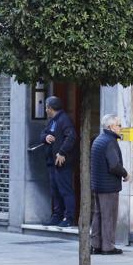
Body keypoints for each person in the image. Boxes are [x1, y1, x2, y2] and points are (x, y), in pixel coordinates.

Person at [90, 114, 129, 255]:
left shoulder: (99, 139)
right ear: (111, 127)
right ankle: (108, 246)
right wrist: (125, 174)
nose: (120, 127)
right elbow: (114, 165)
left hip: (98, 184)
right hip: (108, 186)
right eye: (119, 125)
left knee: (98, 215)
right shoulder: (110, 141)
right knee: (109, 216)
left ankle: (96, 245)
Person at [40, 96, 77, 227]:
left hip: (62, 163)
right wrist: (45, 137)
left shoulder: (64, 119)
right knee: (55, 190)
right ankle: (57, 215)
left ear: (50, 108)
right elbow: (43, 134)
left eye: (46, 107)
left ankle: (69, 217)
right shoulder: (52, 121)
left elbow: (71, 136)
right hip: (52, 162)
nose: (45, 110)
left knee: (65, 190)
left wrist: (62, 152)